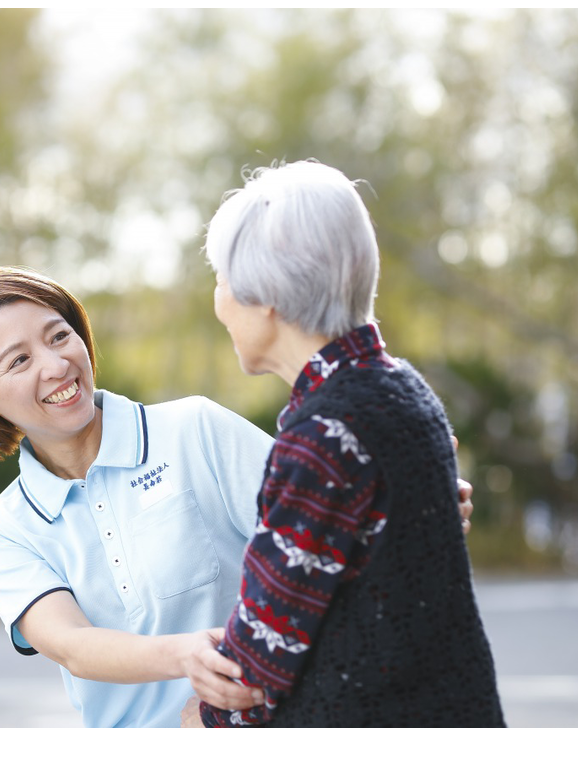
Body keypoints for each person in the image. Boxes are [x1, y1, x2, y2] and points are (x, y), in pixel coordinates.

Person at [0, 265, 475, 728]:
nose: (56, 364)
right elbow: (71, 646)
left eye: (59, 335)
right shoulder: (3, 531)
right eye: (18, 360)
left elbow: (321, 537)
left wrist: (408, 508)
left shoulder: (194, 429)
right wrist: (199, 655)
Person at [181, 160, 504, 728]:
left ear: (266, 294)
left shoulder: (322, 436)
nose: (219, 302)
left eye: (223, 280)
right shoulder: (404, 390)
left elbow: (258, 662)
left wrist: (204, 717)